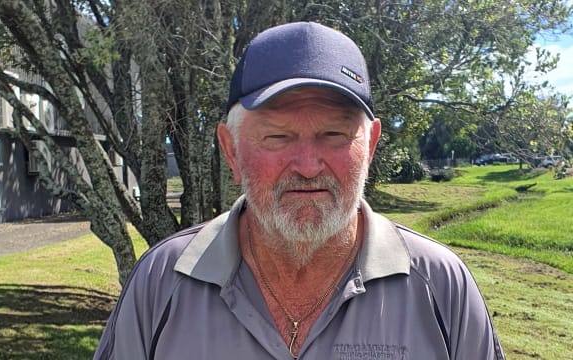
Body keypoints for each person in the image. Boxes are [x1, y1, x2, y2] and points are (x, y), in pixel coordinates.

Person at [94, 22, 505, 360]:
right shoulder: (161, 282)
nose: (308, 166)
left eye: (334, 134)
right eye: (277, 136)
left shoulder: (441, 286)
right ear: (231, 151)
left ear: (371, 147)